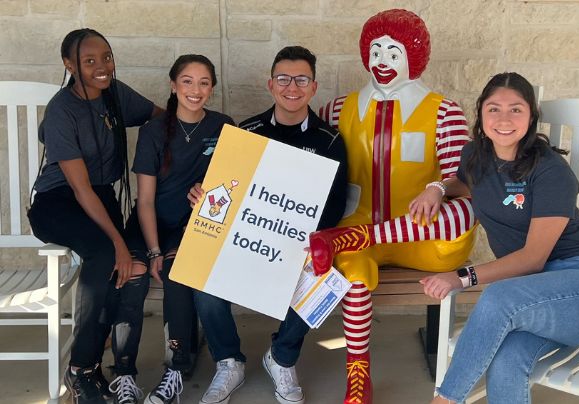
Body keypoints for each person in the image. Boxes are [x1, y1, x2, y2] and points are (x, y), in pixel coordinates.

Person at [413, 72, 579, 404]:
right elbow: (466, 184)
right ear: (481, 114)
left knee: (497, 299)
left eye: (516, 109)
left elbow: (531, 259)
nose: (504, 119)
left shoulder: (550, 171)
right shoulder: (475, 156)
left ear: (531, 116)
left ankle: (444, 400)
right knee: (506, 362)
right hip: (534, 300)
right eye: (494, 109)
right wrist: (436, 188)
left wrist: (461, 277)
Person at [314, 9, 476, 403]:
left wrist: (437, 187)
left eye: (394, 51)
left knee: (464, 216)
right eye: (376, 49)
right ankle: (358, 372)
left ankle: (343, 238)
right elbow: (301, 146)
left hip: (425, 236)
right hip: (360, 226)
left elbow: (462, 175)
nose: (382, 60)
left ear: (414, 57)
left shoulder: (444, 111)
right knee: (353, 279)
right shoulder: (337, 110)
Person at [188, 45, 348, 404]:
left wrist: (307, 244)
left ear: (313, 86)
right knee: (203, 269)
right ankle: (229, 361)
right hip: (247, 238)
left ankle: (282, 357)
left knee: (326, 280)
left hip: (299, 243)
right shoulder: (248, 131)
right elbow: (225, 189)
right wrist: (204, 195)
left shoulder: (330, 140)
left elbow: (335, 205)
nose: (292, 87)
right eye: (283, 79)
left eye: (301, 79)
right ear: (271, 84)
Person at [27, 28, 161, 404]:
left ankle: (106, 366)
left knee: (126, 269)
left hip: (101, 199)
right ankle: (80, 370)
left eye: (106, 57)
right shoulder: (61, 111)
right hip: (58, 201)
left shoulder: (115, 94)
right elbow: (80, 188)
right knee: (106, 257)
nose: (102, 67)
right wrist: (117, 243)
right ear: (69, 66)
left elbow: (164, 118)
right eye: (89, 61)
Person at [123, 54, 234, 404]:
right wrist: (153, 249)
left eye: (203, 82)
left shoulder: (223, 126)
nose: (195, 90)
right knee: (133, 276)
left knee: (177, 274)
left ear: (212, 88)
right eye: (187, 81)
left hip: (191, 227)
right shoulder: (153, 132)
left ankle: (176, 367)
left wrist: (210, 189)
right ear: (173, 85)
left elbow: (235, 181)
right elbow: (144, 201)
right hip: (149, 223)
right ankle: (124, 374)